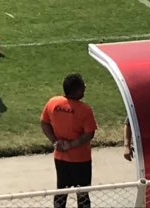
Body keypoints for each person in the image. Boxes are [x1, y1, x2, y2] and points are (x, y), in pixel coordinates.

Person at [40, 73, 97, 208]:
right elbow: (89, 134)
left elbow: (44, 123)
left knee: (61, 192)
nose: (85, 88)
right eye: (83, 86)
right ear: (76, 90)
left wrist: (54, 141)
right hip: (81, 160)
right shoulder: (85, 109)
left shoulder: (53, 102)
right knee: (83, 194)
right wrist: (71, 145)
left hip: (60, 157)